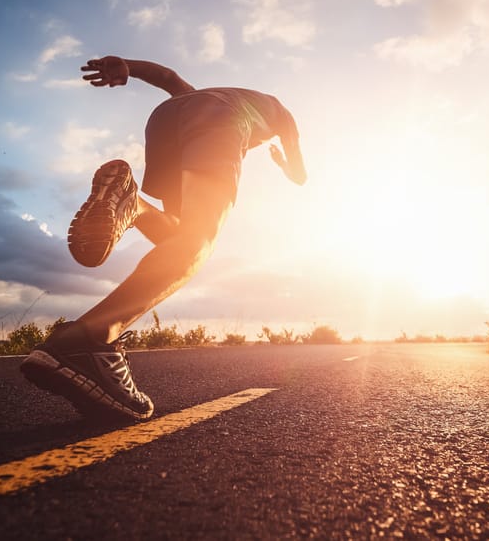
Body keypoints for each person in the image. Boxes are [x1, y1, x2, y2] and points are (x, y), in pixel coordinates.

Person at [20, 56, 306, 420]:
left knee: (180, 234)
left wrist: (125, 65)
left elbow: (169, 78)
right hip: (219, 123)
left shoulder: (204, 95)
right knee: (199, 243)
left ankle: (133, 204)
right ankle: (89, 339)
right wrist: (285, 163)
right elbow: (300, 175)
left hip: (166, 118)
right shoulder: (279, 112)